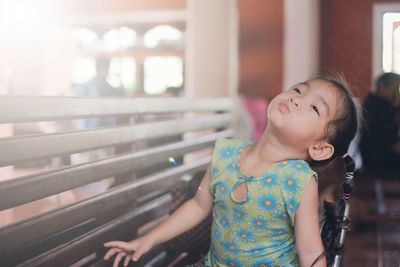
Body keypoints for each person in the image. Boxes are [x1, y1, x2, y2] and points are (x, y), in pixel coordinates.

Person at [103, 75, 358, 267]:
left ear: (320, 149)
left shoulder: (299, 181)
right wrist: (148, 239)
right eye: (298, 90)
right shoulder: (225, 153)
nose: (296, 98)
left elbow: (310, 251)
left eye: (315, 108)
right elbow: (198, 205)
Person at [360, 72, 400, 169]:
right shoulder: (379, 107)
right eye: (395, 88)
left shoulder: (373, 103)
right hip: (379, 158)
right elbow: (391, 139)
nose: (396, 93)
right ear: (383, 87)